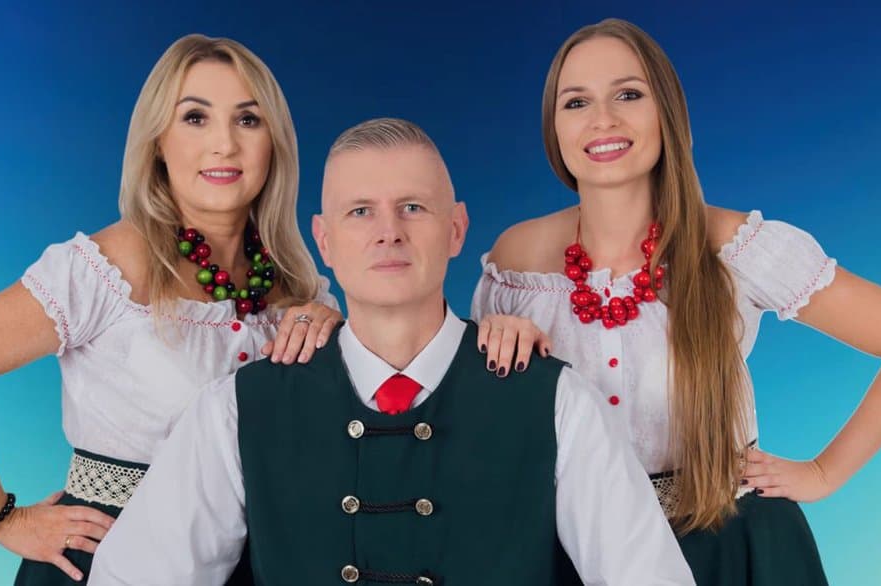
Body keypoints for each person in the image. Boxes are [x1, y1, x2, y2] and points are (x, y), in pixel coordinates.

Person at [89, 117, 695, 585]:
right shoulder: (235, 411)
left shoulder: (557, 403)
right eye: (360, 212)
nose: (389, 232)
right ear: (323, 240)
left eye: (413, 207)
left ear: (456, 229)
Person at [471, 18, 881, 585]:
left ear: (666, 111)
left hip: (727, 547)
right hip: (571, 556)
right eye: (576, 102)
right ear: (554, 128)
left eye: (628, 94)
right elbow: (482, 427)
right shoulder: (517, 260)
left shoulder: (736, 247)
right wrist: (494, 340)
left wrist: (823, 473)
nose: (603, 119)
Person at [0, 34, 342, 585]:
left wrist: (333, 340)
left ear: (274, 143)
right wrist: (3, 519)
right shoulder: (106, 268)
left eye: (248, 120)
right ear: (158, 141)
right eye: (195, 118)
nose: (225, 144)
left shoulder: (298, 286)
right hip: (104, 560)